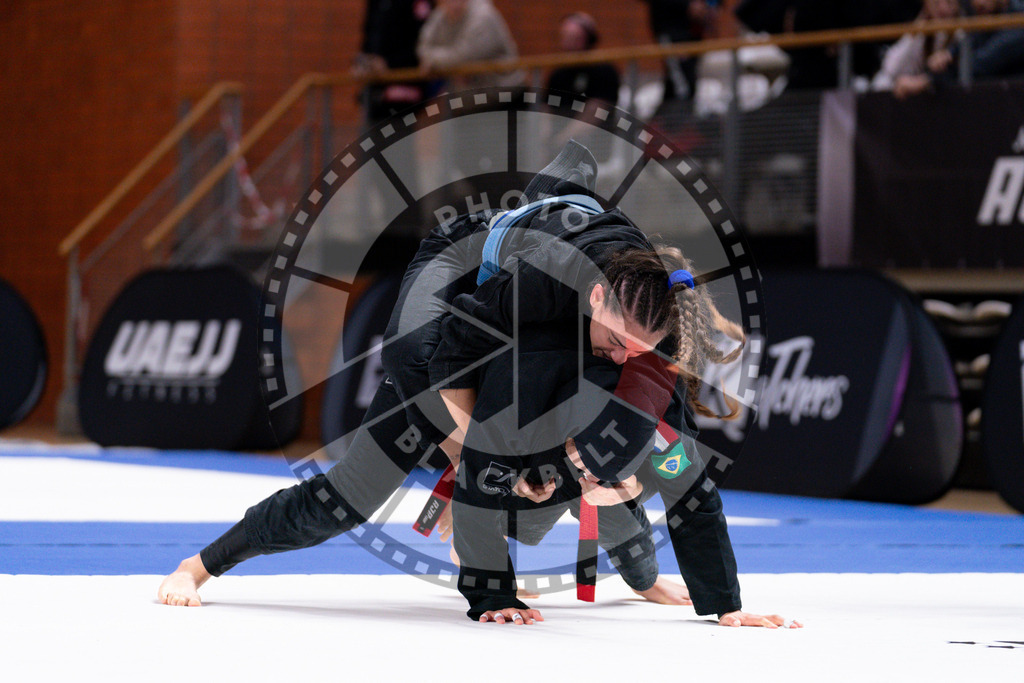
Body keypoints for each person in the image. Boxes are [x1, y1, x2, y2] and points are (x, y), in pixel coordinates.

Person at [158, 142, 795, 628]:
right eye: (619, 341)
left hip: (570, 254)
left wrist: (724, 605)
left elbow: (690, 487)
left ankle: (639, 572)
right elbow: (449, 361)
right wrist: (487, 555)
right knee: (353, 494)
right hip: (459, 286)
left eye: (638, 351)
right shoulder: (542, 288)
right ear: (595, 298)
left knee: (611, 459)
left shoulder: (648, 350)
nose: (626, 355)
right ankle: (201, 563)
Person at [896, 0, 1024, 96]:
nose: (978, 2)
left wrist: (928, 81)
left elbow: (982, 63)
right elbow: (964, 47)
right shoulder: (983, 18)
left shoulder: (1018, 20)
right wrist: (946, 56)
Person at [354, 0, 436, 125]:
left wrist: (388, 64)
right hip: (375, 89)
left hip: (405, 87)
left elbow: (422, 44)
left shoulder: (418, 3)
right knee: (372, 138)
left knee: (399, 138)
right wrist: (363, 61)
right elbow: (369, 34)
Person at [416, 0, 521, 89]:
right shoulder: (441, 14)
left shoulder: (483, 14)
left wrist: (432, 60)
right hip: (472, 97)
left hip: (505, 93)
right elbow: (422, 47)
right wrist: (432, 58)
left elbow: (462, 57)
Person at [872, 0, 963, 97]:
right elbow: (891, 68)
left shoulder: (965, 29)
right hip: (922, 93)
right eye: (936, 3)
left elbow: (954, 73)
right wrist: (916, 30)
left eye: (949, 2)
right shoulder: (923, 29)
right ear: (926, 5)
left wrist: (925, 80)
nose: (943, 8)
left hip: (951, 95)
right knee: (882, 83)